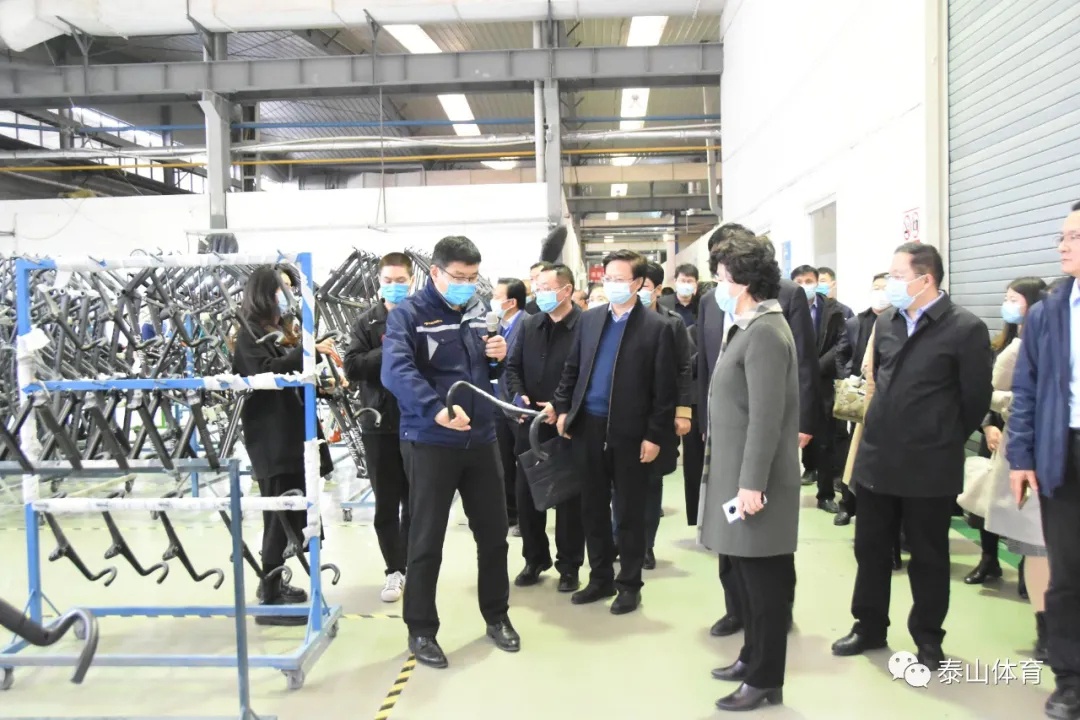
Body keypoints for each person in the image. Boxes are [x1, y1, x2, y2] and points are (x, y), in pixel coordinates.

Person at [832, 242, 992, 671]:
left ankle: (928, 637)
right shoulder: (887, 322)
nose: (891, 284)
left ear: (926, 279)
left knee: (929, 556)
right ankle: (869, 626)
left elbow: (976, 398)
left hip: (930, 465)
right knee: (870, 550)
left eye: (898, 276)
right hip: (878, 458)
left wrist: (941, 436)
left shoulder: (965, 328)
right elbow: (877, 380)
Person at [381, 235, 518, 669]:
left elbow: (486, 371)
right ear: (435, 273)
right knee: (426, 540)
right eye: (458, 276)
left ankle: (497, 616)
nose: (466, 285)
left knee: (494, 536)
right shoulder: (408, 315)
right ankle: (421, 629)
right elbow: (396, 370)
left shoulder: (478, 311)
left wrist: (498, 356)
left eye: (473, 277)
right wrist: (435, 409)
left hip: (481, 439)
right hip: (431, 440)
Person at [698, 225, 818, 639]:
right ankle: (752, 655)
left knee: (762, 578)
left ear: (744, 281)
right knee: (746, 569)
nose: (717, 286)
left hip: (752, 478)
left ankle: (762, 666)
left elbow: (765, 418)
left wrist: (751, 483)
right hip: (735, 465)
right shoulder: (748, 325)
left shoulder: (764, 331)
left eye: (721, 278)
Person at [549, 249, 677, 615]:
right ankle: (600, 577)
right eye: (608, 278)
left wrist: (654, 435)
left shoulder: (657, 328)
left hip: (630, 432)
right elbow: (572, 369)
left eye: (620, 279)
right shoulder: (590, 320)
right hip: (588, 427)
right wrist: (563, 409)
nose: (612, 285)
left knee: (629, 512)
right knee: (592, 508)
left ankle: (629, 585)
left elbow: (664, 391)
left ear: (638, 283)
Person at [1008, 201, 1080, 720]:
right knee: (1068, 573)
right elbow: (1026, 391)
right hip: (1065, 452)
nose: (1063, 246)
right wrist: (1021, 457)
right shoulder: (1049, 313)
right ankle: (1070, 679)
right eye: (1062, 237)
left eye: (1074, 237)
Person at [232, 265, 336, 625]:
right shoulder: (248, 332)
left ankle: (274, 583)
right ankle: (270, 599)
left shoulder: (281, 329)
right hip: (273, 440)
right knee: (278, 518)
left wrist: (321, 383)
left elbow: (292, 376)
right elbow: (266, 373)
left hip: (295, 436)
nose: (287, 294)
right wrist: (308, 351)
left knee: (294, 514)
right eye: (282, 287)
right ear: (264, 292)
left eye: (291, 287)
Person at [504, 264, 586, 592]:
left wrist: (561, 406)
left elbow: (587, 375)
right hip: (530, 425)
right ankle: (535, 559)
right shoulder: (530, 324)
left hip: (567, 425)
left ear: (566, 291)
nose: (540, 294)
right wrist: (518, 394)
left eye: (547, 288)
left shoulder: (585, 326)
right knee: (527, 497)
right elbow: (512, 366)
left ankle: (569, 565)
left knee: (568, 499)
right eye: (537, 288)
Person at [980, 277, 1049, 662]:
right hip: (1033, 454)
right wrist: (997, 420)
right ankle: (1046, 629)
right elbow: (997, 391)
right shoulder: (1019, 344)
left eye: (1014, 299)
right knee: (1039, 545)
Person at [343, 252, 414, 603]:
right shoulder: (366, 322)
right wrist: (389, 350)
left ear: (411, 281)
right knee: (386, 502)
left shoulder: (423, 317)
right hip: (379, 422)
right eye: (388, 280)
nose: (394, 286)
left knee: (417, 501)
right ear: (379, 281)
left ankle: (413, 563)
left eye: (400, 281)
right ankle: (394, 570)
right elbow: (352, 366)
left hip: (418, 422)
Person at [638, 261, 694, 569]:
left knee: (651, 481)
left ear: (658, 290)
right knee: (618, 485)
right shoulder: (617, 319)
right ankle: (621, 541)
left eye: (644, 286)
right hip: (623, 415)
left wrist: (683, 412)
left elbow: (684, 368)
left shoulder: (672, 324)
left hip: (659, 413)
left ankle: (646, 545)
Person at [833, 272, 890, 527]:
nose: (880, 292)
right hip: (859, 397)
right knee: (853, 452)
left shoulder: (897, 323)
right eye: (876, 287)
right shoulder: (857, 322)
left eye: (885, 288)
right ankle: (847, 505)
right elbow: (842, 353)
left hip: (886, 401)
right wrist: (849, 378)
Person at [791, 264, 848, 513]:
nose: (805, 285)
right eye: (799, 281)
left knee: (825, 442)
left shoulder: (834, 310)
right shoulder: (784, 307)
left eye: (809, 280)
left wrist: (814, 368)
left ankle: (825, 495)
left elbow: (841, 344)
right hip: (792, 383)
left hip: (823, 384)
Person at [491, 278, 527, 534]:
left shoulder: (529, 325)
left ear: (511, 302)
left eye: (496, 296)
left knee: (524, 464)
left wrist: (520, 402)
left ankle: (527, 518)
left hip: (519, 407)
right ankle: (509, 514)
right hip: (497, 405)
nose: (492, 301)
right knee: (502, 463)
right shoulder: (496, 328)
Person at [660, 263, 701, 329]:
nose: (686, 284)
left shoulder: (701, 304)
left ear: (696, 283)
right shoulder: (662, 303)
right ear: (675, 281)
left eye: (689, 281)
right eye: (682, 281)